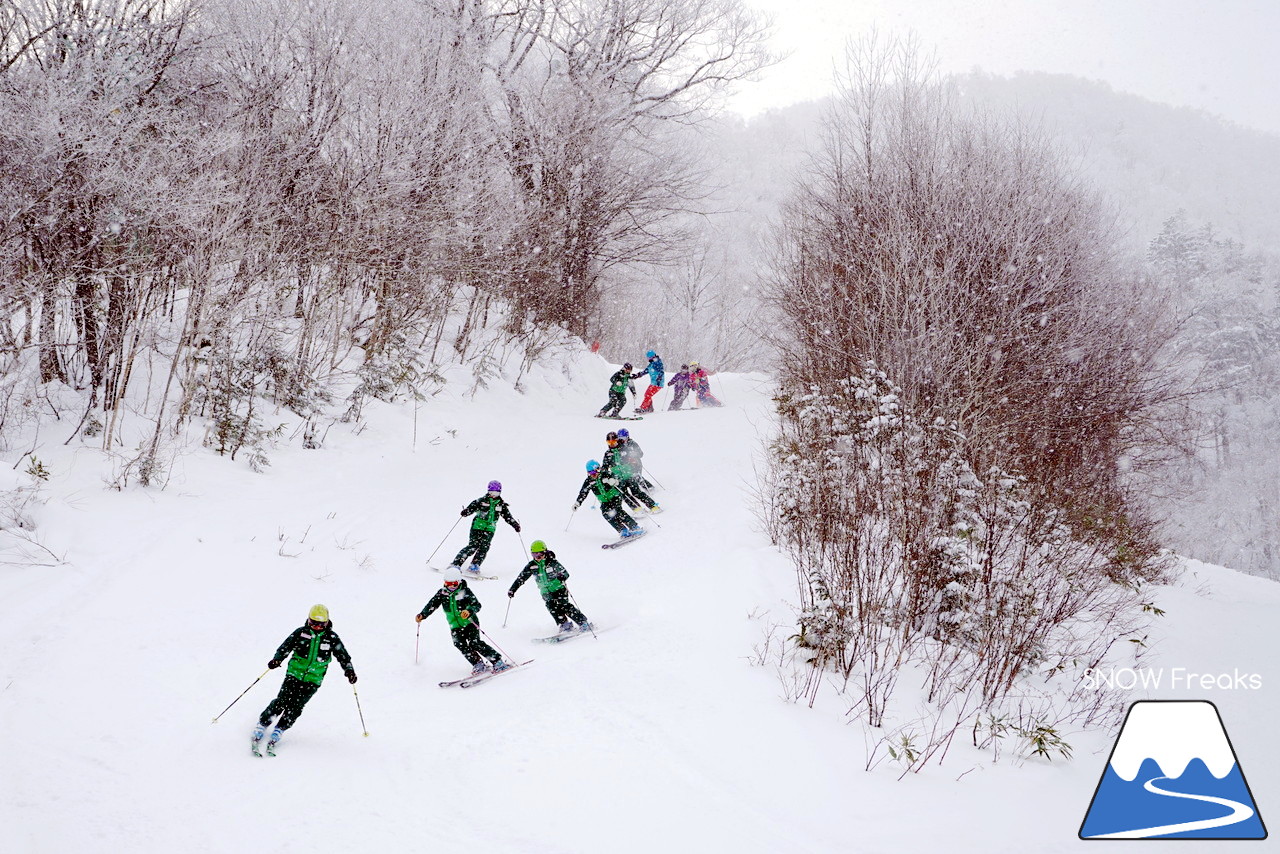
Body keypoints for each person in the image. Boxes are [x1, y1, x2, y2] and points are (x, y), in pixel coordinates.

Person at [253, 604, 357, 753]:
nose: (316, 626)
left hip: (313, 679)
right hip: (294, 673)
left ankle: (280, 729)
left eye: (320, 624)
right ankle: (262, 724)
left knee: (296, 706)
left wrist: (349, 670)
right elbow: (285, 647)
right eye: (313, 622)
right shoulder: (300, 633)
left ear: (327, 623)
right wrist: (277, 659)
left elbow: (343, 656)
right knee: (282, 700)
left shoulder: (331, 638)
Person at [416, 567, 511, 675]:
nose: (451, 586)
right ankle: (478, 663)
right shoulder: (442, 594)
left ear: (459, 581)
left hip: (470, 623)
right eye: (448, 583)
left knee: (475, 643)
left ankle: (497, 662)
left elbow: (477, 605)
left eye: (454, 583)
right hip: (455, 625)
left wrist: (468, 611)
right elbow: (432, 605)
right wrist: (422, 615)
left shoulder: (465, 591)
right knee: (459, 644)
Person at [507, 540, 593, 634]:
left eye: (538, 555)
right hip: (545, 592)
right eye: (533, 555)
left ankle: (583, 623)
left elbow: (565, 573)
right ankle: (565, 625)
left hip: (559, 588)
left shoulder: (552, 562)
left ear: (544, 553)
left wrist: (562, 576)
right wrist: (513, 589)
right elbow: (521, 578)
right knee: (552, 608)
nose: (537, 558)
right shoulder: (532, 566)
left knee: (565, 606)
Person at [450, 480, 520, 577]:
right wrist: (466, 512)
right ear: (488, 491)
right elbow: (471, 508)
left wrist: (515, 524)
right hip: (477, 526)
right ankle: (456, 564)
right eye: (492, 492)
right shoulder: (481, 501)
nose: (494, 495)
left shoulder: (501, 505)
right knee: (473, 546)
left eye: (496, 493)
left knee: (484, 547)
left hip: (490, 528)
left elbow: (508, 517)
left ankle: (474, 565)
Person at [573, 459, 642, 537]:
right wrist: (578, 503)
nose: (593, 475)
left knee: (617, 511)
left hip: (614, 496)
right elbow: (583, 492)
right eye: (590, 473)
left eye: (594, 472)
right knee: (606, 514)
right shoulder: (589, 481)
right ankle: (622, 529)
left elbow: (619, 480)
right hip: (604, 501)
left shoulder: (606, 474)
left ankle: (634, 527)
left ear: (598, 469)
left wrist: (614, 481)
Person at [602, 430, 659, 512]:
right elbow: (605, 467)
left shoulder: (624, 449)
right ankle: (637, 509)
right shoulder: (608, 454)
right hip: (618, 479)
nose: (612, 445)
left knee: (636, 492)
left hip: (629, 475)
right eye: (609, 443)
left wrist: (633, 462)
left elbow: (635, 458)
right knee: (624, 495)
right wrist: (606, 477)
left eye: (613, 442)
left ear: (617, 440)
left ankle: (653, 506)